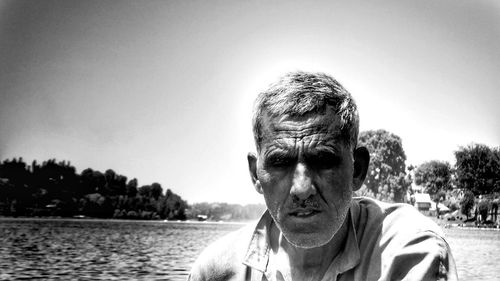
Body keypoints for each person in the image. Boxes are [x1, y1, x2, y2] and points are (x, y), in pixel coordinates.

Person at [188, 71, 457, 281]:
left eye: (323, 161)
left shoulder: (409, 252)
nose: (302, 188)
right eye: (281, 162)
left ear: (357, 169)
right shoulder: (217, 270)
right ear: (255, 174)